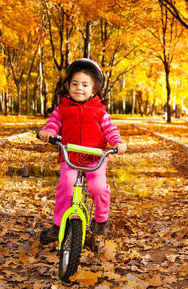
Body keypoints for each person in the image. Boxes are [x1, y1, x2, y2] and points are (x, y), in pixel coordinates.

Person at [38, 58, 127, 245]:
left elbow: (110, 130)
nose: (79, 88)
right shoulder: (62, 109)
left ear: (93, 89)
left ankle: (101, 220)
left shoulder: (100, 111)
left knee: (98, 188)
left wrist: (117, 142)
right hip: (70, 156)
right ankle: (58, 225)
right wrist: (49, 132)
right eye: (75, 83)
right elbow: (54, 123)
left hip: (95, 157)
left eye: (85, 84)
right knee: (66, 186)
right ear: (68, 86)